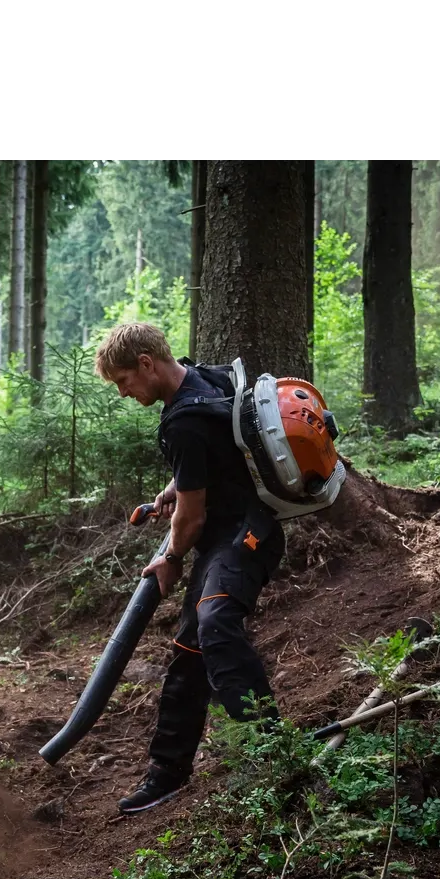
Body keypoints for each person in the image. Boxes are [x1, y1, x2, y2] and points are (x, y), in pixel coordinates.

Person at [94, 322, 285, 814]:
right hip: (230, 531)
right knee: (188, 646)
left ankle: (273, 751)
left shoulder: (181, 422)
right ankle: (168, 771)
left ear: (145, 364)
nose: (123, 392)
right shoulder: (205, 379)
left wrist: (172, 557)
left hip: (245, 535)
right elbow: (214, 463)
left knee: (215, 620)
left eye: (123, 381)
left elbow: (193, 517)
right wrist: (173, 489)